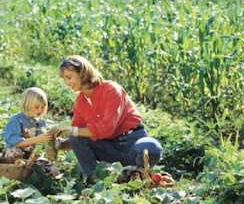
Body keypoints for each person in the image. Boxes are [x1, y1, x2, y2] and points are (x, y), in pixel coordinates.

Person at [46, 55, 163, 183]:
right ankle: (92, 180)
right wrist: (59, 145)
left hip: (132, 143)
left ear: (83, 73)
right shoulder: (80, 102)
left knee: (151, 147)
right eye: (65, 79)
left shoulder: (111, 90)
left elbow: (106, 128)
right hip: (109, 149)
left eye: (69, 77)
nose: (67, 83)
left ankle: (138, 172)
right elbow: (78, 137)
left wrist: (70, 130)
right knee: (76, 135)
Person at [3, 87, 53, 159]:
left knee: (46, 165)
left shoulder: (40, 121)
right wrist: (37, 139)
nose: (40, 110)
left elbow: (43, 139)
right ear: (27, 105)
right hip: (15, 152)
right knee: (16, 155)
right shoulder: (16, 120)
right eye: (36, 107)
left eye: (42, 107)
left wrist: (50, 138)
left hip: (31, 153)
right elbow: (14, 142)